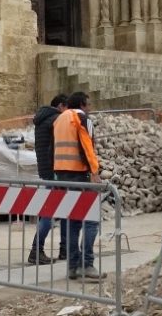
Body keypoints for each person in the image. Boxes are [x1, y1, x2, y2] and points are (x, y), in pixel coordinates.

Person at [51, 91, 103, 281]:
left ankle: (72, 267)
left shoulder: (60, 119)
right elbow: (87, 146)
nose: (90, 108)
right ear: (82, 104)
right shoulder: (81, 118)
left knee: (73, 221)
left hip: (61, 174)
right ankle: (86, 264)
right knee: (91, 219)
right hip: (79, 174)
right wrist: (95, 171)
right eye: (88, 104)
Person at [28, 94, 67, 266]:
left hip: (46, 170)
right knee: (50, 211)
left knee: (61, 209)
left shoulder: (42, 119)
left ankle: (65, 249)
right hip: (55, 171)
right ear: (60, 106)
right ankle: (36, 250)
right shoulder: (56, 120)